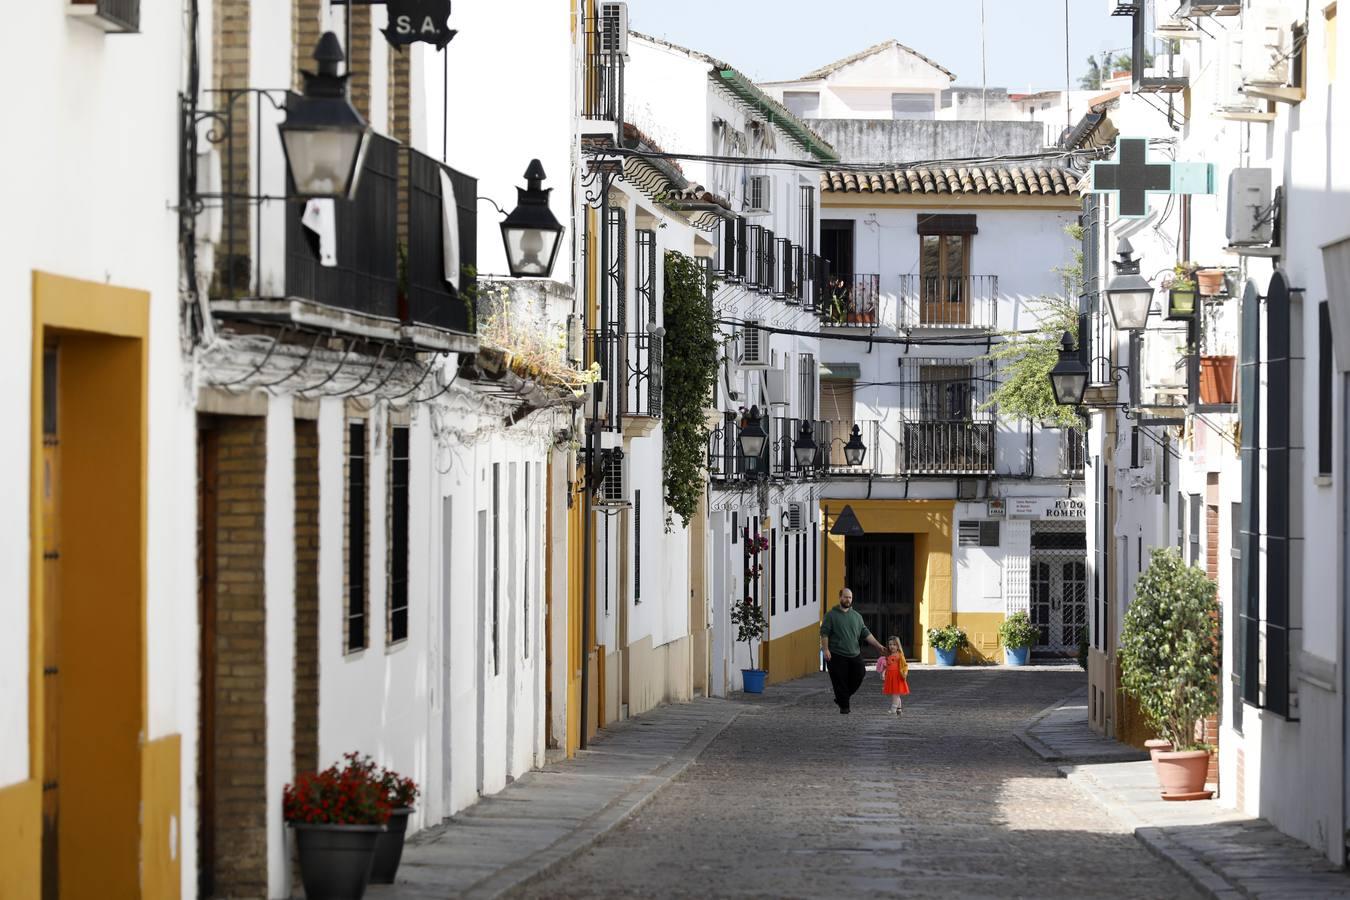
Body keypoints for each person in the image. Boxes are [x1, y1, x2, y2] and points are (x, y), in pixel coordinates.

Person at [819, 588, 887, 714]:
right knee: (840, 680)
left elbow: (865, 633)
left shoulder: (856, 616)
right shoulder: (831, 615)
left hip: (854, 653)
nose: (848, 599)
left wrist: (878, 646)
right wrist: (826, 649)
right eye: (845, 597)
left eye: (850, 597)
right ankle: (844, 707)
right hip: (836, 654)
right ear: (840, 597)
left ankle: (841, 698)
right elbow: (824, 634)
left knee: (860, 673)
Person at [876, 636, 911, 717]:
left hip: (897, 676)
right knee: (895, 693)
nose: (892, 646)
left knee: (895, 693)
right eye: (890, 644)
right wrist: (883, 673)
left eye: (894, 644)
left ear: (898, 645)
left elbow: (905, 665)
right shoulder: (888, 655)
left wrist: (904, 673)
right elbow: (887, 666)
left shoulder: (900, 655)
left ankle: (893, 709)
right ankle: (899, 709)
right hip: (890, 676)